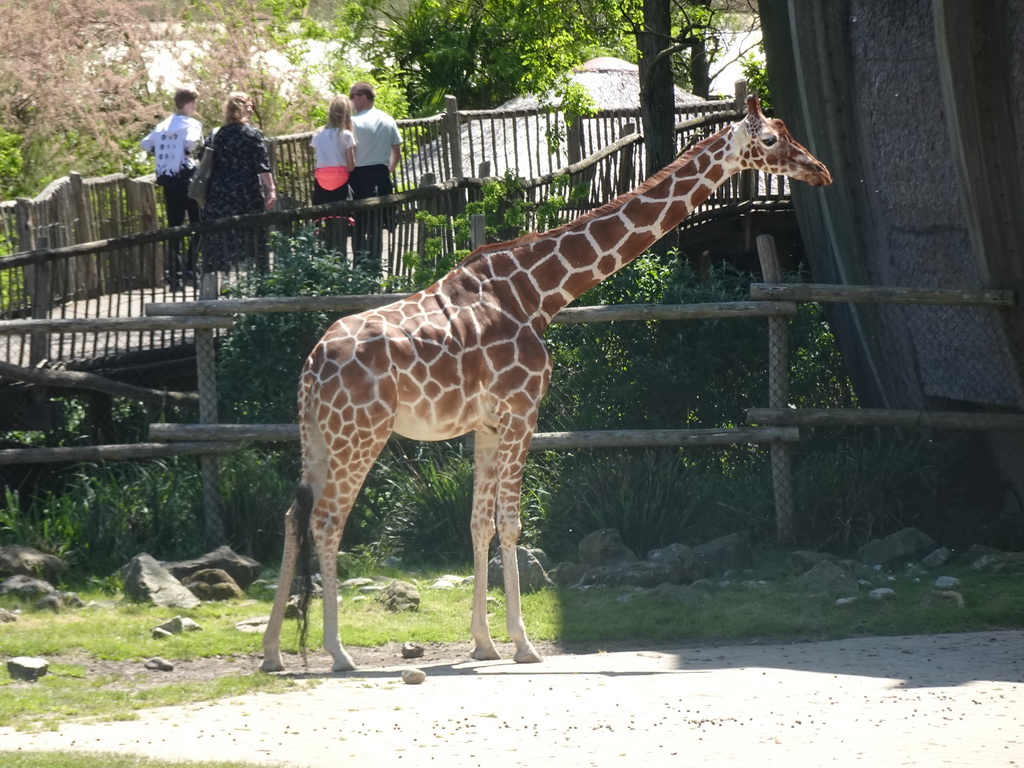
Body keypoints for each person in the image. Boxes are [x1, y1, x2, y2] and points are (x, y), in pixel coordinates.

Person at [200, 91, 277, 275]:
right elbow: (262, 166)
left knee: (221, 240)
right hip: (246, 194)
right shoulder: (252, 134)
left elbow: (203, 160)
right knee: (253, 238)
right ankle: (259, 281)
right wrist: (271, 190)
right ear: (245, 109)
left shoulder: (216, 135)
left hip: (219, 195)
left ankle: (219, 284)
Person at [140, 86, 203, 289]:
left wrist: (160, 152)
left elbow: (145, 144)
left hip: (168, 180)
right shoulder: (191, 124)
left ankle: (174, 274)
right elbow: (192, 143)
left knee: (174, 226)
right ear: (190, 103)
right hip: (187, 178)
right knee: (197, 224)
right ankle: (191, 268)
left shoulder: (162, 126)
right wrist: (184, 151)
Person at [348, 82, 402, 271]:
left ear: (363, 96)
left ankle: (359, 265)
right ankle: (376, 264)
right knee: (378, 224)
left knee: (359, 223)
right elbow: (397, 152)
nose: (350, 100)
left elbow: (350, 153)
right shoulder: (388, 119)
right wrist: (388, 170)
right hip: (382, 175)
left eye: (352, 96)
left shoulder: (354, 122)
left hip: (359, 176)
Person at [310, 95, 357, 253]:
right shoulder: (346, 135)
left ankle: (324, 256)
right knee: (340, 221)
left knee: (324, 220)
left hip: (321, 183)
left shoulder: (318, 134)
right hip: (341, 184)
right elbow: (350, 166)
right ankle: (340, 257)